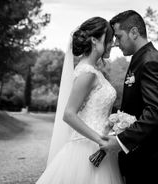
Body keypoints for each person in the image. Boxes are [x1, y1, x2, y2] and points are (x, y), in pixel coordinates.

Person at [36, 17, 123, 184]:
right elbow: (69, 114)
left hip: (99, 145)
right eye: (109, 39)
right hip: (87, 147)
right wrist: (99, 139)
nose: (113, 43)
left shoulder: (93, 71)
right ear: (94, 40)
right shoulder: (87, 73)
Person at [100, 10, 158, 184]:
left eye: (119, 36)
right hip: (140, 158)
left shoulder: (150, 61)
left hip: (150, 161)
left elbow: (155, 111)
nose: (115, 43)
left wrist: (121, 140)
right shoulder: (140, 58)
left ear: (134, 32)